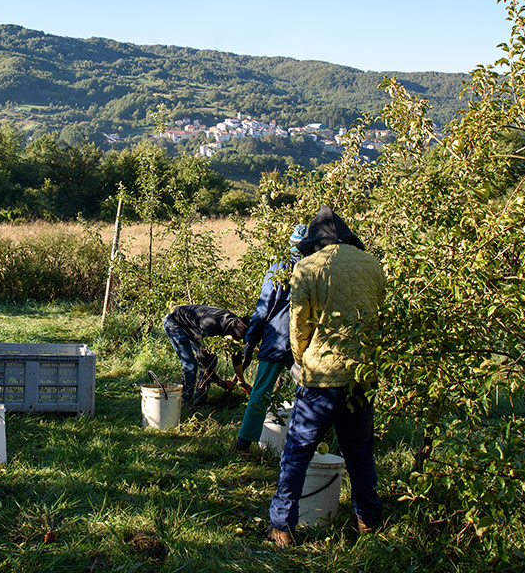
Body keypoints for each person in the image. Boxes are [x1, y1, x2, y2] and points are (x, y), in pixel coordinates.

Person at [267, 206, 385, 547]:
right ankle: (368, 521)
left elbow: (299, 324)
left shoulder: (306, 267)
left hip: (321, 376)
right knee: (360, 450)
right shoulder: (372, 264)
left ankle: (282, 527)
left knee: (298, 451)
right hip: (362, 373)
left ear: (316, 242)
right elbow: (379, 316)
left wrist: (304, 361)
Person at [234, 224, 307, 454]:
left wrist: (251, 340)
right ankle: (302, 445)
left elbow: (263, 308)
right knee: (307, 391)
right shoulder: (313, 269)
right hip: (302, 340)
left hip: (276, 338)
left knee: (261, 391)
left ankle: (243, 444)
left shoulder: (278, 269)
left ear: (290, 244)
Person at [163, 304, 248, 408]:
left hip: (194, 327)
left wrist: (241, 382)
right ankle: (186, 404)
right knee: (190, 365)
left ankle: (199, 402)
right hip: (175, 323)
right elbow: (202, 360)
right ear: (230, 333)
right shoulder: (211, 326)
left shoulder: (236, 323)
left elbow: (236, 356)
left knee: (211, 359)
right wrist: (220, 382)